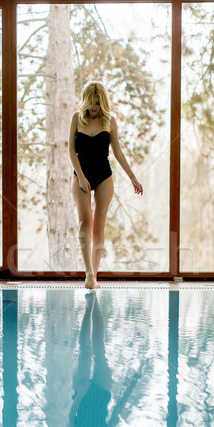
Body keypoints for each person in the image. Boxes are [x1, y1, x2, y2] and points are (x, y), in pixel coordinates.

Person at [69, 80, 143, 289]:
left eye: (98, 104)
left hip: (103, 176)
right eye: (92, 103)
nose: (94, 108)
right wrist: (82, 178)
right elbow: (71, 152)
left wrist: (133, 177)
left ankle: (94, 274)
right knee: (85, 222)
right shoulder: (76, 118)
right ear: (85, 101)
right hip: (81, 175)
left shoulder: (109, 121)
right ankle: (88, 273)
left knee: (99, 225)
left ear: (103, 103)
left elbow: (118, 153)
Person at [68, 293, 142, 427]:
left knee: (85, 350)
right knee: (99, 350)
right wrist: (131, 386)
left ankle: (88, 308)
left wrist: (80, 395)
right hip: (101, 394)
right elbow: (117, 412)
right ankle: (96, 305)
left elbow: (71, 416)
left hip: (81, 395)